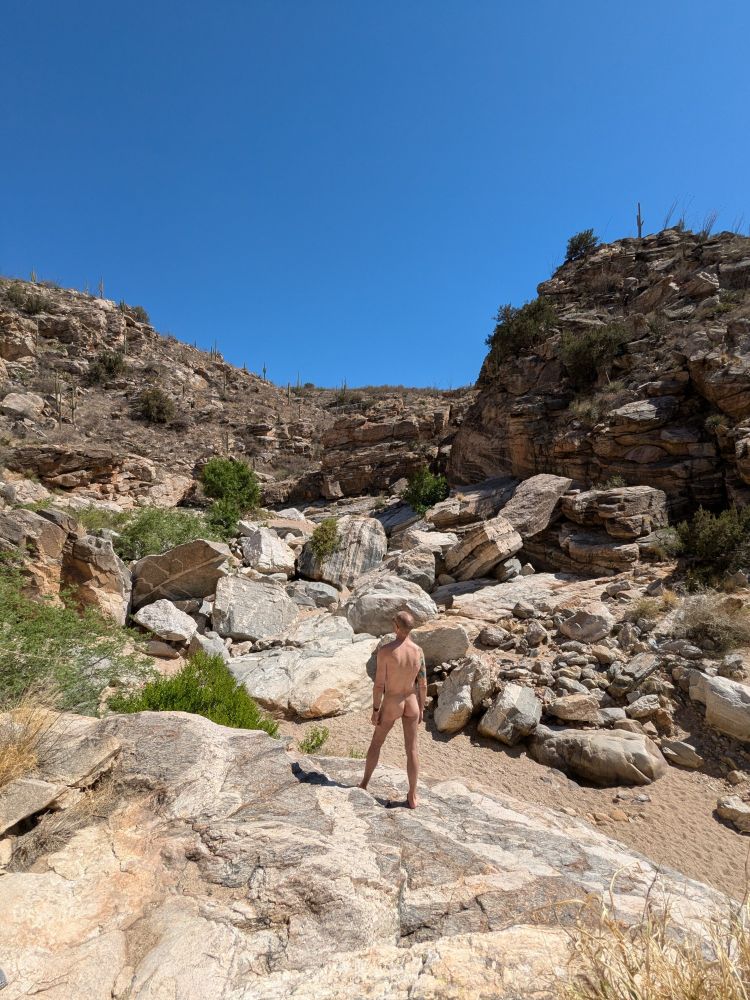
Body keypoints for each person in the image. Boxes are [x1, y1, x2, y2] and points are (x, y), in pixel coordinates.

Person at [359, 609, 427, 808]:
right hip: (412, 700)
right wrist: (422, 708)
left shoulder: (386, 651)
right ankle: (413, 795)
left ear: (396, 627)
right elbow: (422, 683)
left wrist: (375, 709)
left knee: (376, 743)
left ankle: (364, 783)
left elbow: (379, 684)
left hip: (392, 701)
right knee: (412, 750)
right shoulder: (418, 651)